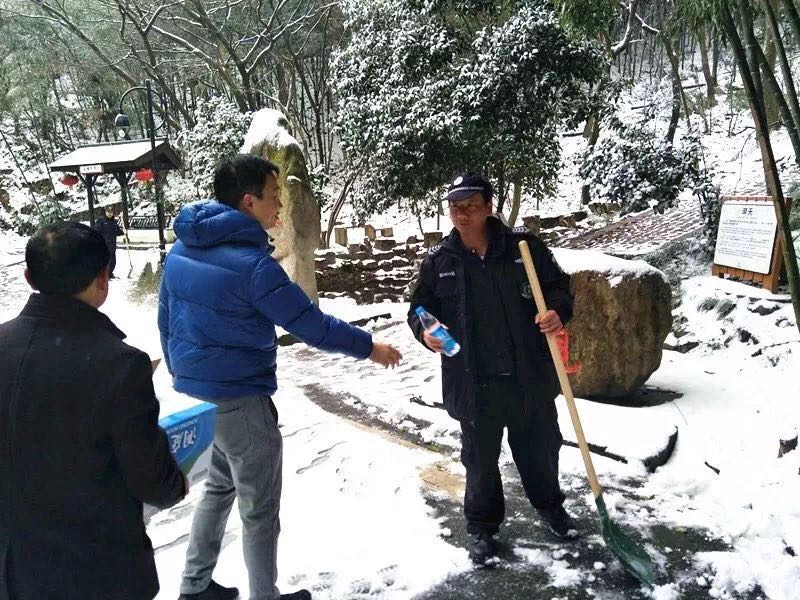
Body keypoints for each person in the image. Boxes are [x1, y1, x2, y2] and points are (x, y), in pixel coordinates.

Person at [159, 154, 402, 600]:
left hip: (201, 395)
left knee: (219, 486)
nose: (280, 209)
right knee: (260, 507)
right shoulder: (252, 266)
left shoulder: (182, 249)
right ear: (248, 201)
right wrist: (370, 347)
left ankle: (195, 588)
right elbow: (311, 325)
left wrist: (183, 373)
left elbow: (165, 320)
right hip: (241, 400)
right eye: (274, 197)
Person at [0, 222, 187, 599]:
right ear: (103, 278)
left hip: (13, 569)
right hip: (95, 569)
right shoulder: (120, 365)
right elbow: (149, 477)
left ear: (28, 276)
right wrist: (176, 483)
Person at [407, 173, 576, 565]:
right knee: (480, 462)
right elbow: (420, 309)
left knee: (541, 450)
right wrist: (426, 331)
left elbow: (559, 287)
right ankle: (482, 528)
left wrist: (557, 311)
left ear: (488, 206)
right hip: (473, 382)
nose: (461, 215)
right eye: (454, 207)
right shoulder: (439, 262)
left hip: (527, 377)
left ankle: (551, 507)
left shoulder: (524, 248)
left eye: (469, 206)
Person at [93, 206, 124, 278]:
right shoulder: (101, 221)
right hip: (104, 245)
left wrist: (123, 232)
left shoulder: (114, 222)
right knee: (106, 261)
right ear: (105, 212)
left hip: (113, 245)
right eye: (108, 212)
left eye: (111, 212)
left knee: (113, 262)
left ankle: (110, 274)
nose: (110, 214)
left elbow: (117, 232)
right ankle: (104, 275)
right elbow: (95, 231)